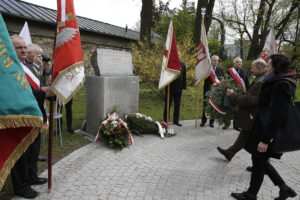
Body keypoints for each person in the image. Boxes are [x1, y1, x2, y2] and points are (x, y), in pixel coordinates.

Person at [231, 54, 297, 200]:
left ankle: (251, 194)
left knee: (259, 161)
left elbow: (278, 115)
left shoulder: (281, 84)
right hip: (262, 127)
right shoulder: (275, 80)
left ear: (276, 66)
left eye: (269, 65)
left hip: (267, 132)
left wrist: (266, 140)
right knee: (260, 160)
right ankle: (284, 188)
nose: (266, 68)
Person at [10, 35, 50, 199]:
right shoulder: (9, 68)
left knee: (33, 149)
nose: (24, 50)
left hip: (34, 114)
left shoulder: (24, 66)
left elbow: (35, 86)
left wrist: (45, 91)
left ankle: (31, 175)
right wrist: (43, 91)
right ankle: (21, 186)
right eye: (20, 47)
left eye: (25, 47)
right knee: (21, 153)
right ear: (10, 49)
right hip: (20, 116)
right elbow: (22, 93)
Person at [217, 59, 268, 161]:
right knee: (244, 134)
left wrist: (232, 94)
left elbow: (249, 100)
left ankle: (264, 165)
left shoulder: (261, 81)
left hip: (255, 115)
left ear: (258, 68)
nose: (251, 70)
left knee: (255, 140)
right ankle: (229, 153)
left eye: (253, 68)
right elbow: (248, 93)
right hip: (254, 116)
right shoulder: (260, 78)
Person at [200, 55, 223, 128]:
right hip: (207, 90)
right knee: (205, 106)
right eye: (214, 60)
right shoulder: (207, 69)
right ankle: (203, 121)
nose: (216, 62)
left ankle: (211, 122)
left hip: (216, 91)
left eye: (217, 60)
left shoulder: (220, 69)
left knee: (213, 106)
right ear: (211, 61)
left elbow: (221, 79)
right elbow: (203, 77)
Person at [163, 61, 186, 126]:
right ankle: (166, 120)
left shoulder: (182, 64)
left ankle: (176, 121)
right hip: (170, 88)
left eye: (178, 55)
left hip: (179, 88)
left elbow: (184, 76)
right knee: (167, 104)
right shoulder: (169, 63)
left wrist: (184, 87)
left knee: (177, 105)